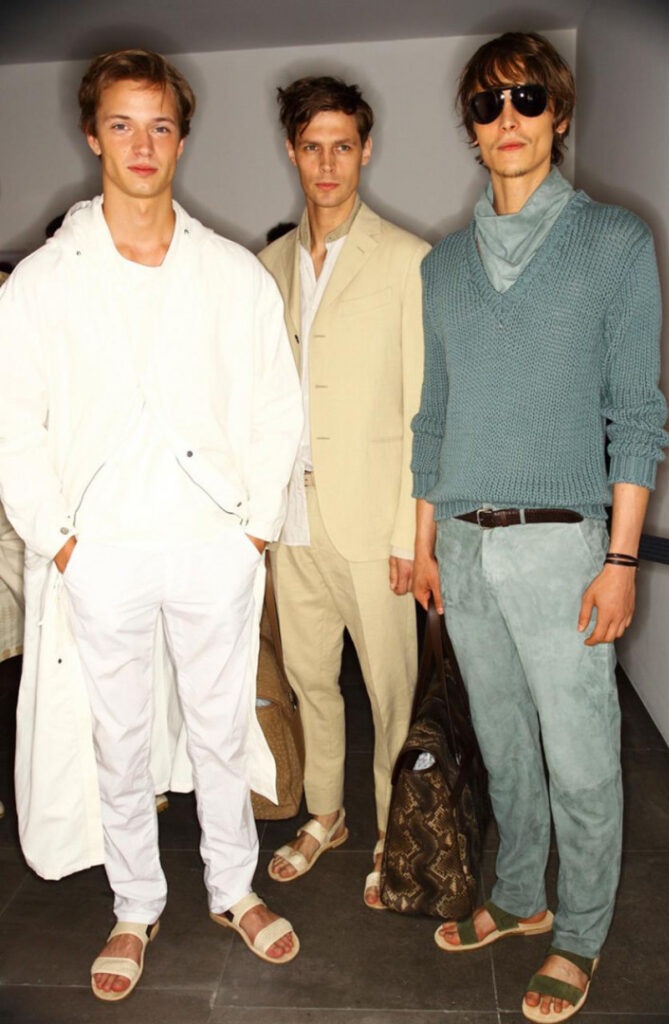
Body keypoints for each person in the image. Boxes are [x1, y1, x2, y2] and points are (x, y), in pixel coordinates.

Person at [0, 48, 303, 1001]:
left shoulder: (230, 274)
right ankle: (135, 904)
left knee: (221, 727)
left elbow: (277, 408)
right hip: (102, 554)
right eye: (122, 125)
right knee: (118, 740)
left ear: (181, 138)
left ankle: (233, 887)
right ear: (93, 136)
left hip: (213, 545)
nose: (142, 144)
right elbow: (12, 422)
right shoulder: (43, 282)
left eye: (160, 125)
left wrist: (252, 532)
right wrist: (61, 543)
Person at [411, 32, 668, 1024]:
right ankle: (520, 896)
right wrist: (427, 545)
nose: (507, 118)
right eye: (487, 104)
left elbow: (636, 415)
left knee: (583, 754)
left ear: (557, 114)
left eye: (526, 97)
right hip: (464, 543)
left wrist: (620, 559)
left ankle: (581, 931)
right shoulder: (442, 267)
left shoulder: (614, 241)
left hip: (564, 546)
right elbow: (434, 417)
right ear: (471, 129)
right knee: (505, 746)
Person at [259, 76, 429, 906]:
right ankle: (325, 814)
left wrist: (408, 533)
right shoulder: (265, 267)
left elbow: (424, 406)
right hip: (290, 515)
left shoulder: (406, 259)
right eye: (311, 146)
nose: (327, 164)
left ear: (365, 151)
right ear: (291, 152)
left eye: (342, 146)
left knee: (391, 693)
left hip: (373, 521)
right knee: (310, 682)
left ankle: (394, 828)